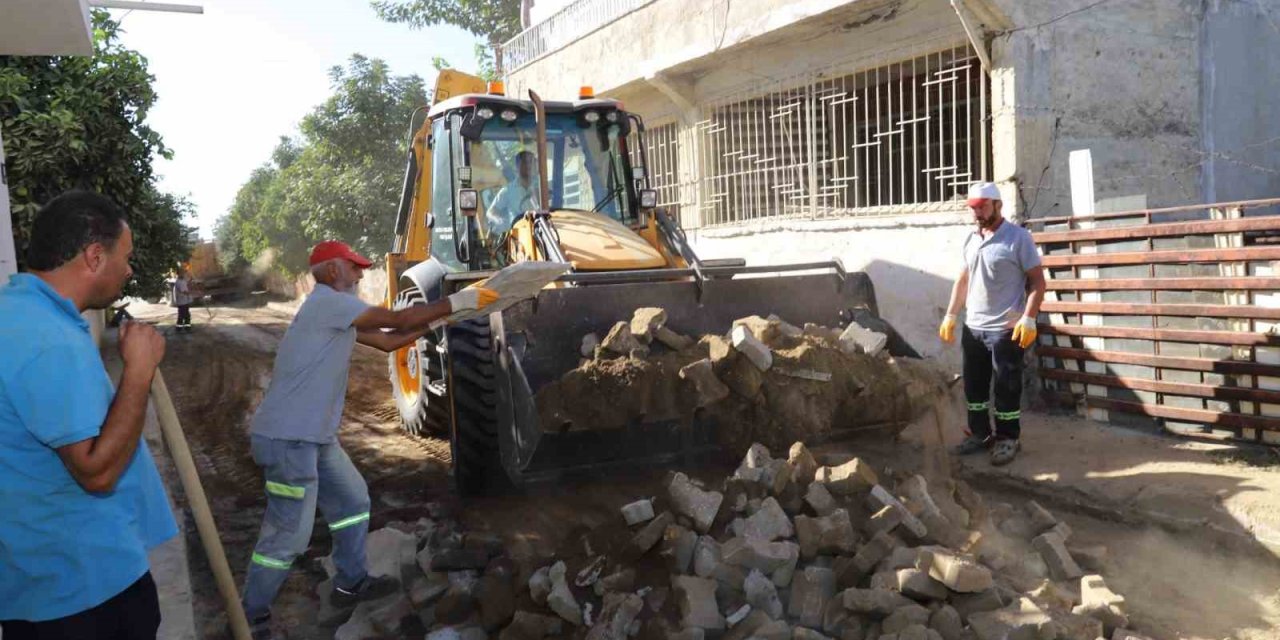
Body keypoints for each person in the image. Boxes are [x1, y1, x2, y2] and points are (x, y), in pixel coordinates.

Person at [240, 240, 497, 639]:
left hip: (314, 438)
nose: (362, 274)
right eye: (354, 267)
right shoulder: (328, 302)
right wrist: (460, 300)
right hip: (289, 439)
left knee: (354, 501)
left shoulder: (334, 312)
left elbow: (389, 341)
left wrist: (445, 320)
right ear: (330, 272)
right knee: (288, 534)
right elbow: (396, 321)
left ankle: (350, 581)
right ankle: (251, 616)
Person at [0, 191, 176, 639]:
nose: (131, 269)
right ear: (95, 256)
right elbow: (95, 472)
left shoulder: (17, 315)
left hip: (36, 582)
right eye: (127, 256)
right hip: (84, 591)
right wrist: (138, 370)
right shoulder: (47, 338)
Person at [938, 182, 1046, 466]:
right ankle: (979, 434)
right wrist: (951, 315)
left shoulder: (1018, 238)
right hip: (973, 327)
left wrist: (1029, 318)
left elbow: (1037, 281)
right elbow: (963, 280)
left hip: (1005, 329)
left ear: (997, 205)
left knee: (1006, 387)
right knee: (974, 387)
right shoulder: (971, 239)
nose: (977, 213)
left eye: (982, 207)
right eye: (972, 208)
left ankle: (1008, 438)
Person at [484, 150, 541, 235]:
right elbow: (490, 212)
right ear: (517, 166)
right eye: (525, 162)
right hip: (518, 236)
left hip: (541, 231)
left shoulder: (541, 188)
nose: (529, 165)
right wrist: (500, 221)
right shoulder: (508, 191)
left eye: (531, 162)